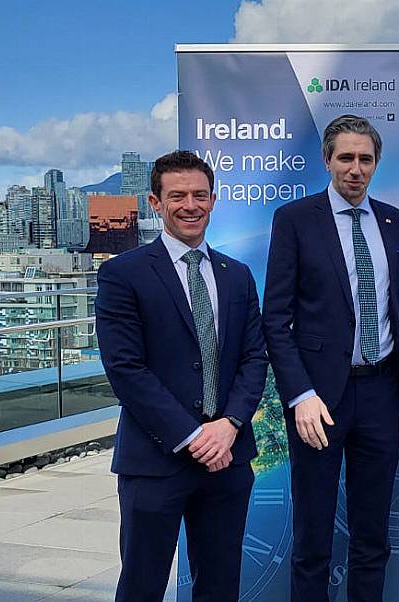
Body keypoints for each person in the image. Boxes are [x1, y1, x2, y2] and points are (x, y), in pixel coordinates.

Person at [96, 150, 268, 601]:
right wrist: (194, 437)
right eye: (177, 196)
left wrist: (228, 426)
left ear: (214, 200)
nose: (189, 205)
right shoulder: (122, 274)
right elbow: (125, 370)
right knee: (142, 585)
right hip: (155, 460)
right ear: (156, 202)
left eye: (199, 195)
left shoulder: (238, 276)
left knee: (219, 585)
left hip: (227, 460)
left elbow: (255, 358)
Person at [262, 114, 399, 602]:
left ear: (376, 164)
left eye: (365, 159)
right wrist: (299, 395)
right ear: (327, 160)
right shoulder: (295, 220)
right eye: (345, 157)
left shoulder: (395, 222)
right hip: (318, 398)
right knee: (313, 534)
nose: (356, 168)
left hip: (383, 392)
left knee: (372, 534)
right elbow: (275, 319)